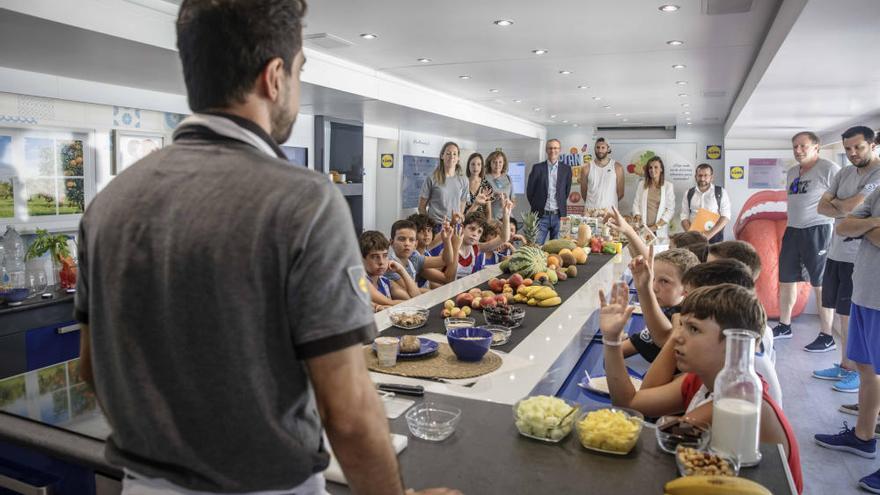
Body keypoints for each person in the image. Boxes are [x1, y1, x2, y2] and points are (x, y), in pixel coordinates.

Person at [75, 2, 458, 494]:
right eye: (299, 72)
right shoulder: (306, 200)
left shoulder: (109, 203)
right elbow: (347, 409)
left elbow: (92, 367)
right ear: (275, 76)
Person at [599, 283, 803, 494]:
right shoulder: (698, 380)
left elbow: (670, 434)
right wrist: (612, 341)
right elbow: (629, 403)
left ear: (736, 343)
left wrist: (669, 423)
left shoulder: (739, 399)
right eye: (682, 325)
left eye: (694, 329)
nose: (677, 336)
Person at [814, 184, 880, 494]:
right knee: (866, 371)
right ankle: (863, 437)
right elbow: (843, 226)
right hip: (865, 295)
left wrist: (864, 226)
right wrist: (871, 223)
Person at [812, 126, 880, 387]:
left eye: (858, 147)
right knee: (842, 313)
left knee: (851, 315)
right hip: (837, 251)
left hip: (859, 259)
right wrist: (847, 209)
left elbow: (851, 208)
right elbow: (823, 207)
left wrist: (841, 207)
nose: (852, 153)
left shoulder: (877, 173)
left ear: (872, 145)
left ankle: (855, 373)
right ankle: (845, 365)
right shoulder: (844, 172)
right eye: (848, 148)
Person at [773, 131, 841, 342]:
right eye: (795, 147)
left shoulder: (830, 169)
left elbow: (843, 201)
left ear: (816, 147)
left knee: (820, 284)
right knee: (787, 280)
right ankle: (785, 325)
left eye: (803, 146)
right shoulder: (793, 171)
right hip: (793, 229)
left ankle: (827, 334)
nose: (798, 150)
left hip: (818, 229)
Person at [621, 247, 700, 362]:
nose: (653, 287)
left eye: (664, 281)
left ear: (686, 288)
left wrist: (613, 339)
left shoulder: (674, 316)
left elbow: (621, 351)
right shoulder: (680, 308)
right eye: (652, 279)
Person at [450, 201, 512, 280]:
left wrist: (506, 216)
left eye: (479, 231)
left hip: (465, 291)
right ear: (462, 228)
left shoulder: (477, 248)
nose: (475, 234)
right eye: (472, 229)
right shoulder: (451, 245)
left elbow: (504, 238)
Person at [526, 139, 572, 244]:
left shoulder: (566, 169)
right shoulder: (537, 168)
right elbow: (530, 191)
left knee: (557, 250)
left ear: (559, 150)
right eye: (550, 148)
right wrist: (537, 206)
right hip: (540, 216)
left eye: (555, 148)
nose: (553, 150)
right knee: (536, 247)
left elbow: (566, 191)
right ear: (546, 150)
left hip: (558, 216)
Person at [387, 219, 454, 291]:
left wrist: (447, 241)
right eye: (402, 239)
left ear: (415, 244)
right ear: (391, 242)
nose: (407, 243)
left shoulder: (414, 257)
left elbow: (446, 260)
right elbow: (411, 292)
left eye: (411, 240)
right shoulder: (390, 266)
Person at [360, 231, 420, 310]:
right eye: (375, 257)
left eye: (385, 255)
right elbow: (389, 302)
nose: (381, 262)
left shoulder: (385, 282)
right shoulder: (360, 281)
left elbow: (416, 298)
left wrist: (401, 270)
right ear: (361, 259)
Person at [419, 141, 469, 224]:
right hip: (436, 225)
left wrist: (458, 220)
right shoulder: (432, 178)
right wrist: (428, 225)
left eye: (454, 154)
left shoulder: (464, 180)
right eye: (448, 153)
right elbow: (421, 207)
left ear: (458, 158)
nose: (452, 156)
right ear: (442, 156)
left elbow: (463, 203)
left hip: (455, 225)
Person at [680, 163, 732, 243]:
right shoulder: (688, 193)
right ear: (695, 177)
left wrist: (708, 235)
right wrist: (691, 235)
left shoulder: (720, 192)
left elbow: (725, 216)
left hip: (714, 237)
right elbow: (684, 216)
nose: (702, 178)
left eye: (706, 175)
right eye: (700, 175)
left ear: (711, 177)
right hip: (693, 238)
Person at [632, 156, 676, 242]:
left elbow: (670, 210)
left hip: (659, 230)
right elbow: (636, 204)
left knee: (659, 254)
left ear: (661, 169)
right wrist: (637, 216)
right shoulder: (642, 184)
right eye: (650, 167)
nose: (652, 170)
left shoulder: (668, 186)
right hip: (643, 229)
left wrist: (655, 227)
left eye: (656, 167)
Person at [580, 137, 624, 210]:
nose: (600, 150)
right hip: (590, 213)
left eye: (603, 147)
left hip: (610, 213)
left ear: (608, 149)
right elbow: (583, 192)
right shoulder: (586, 168)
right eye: (598, 147)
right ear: (594, 149)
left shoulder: (617, 167)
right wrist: (593, 205)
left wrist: (609, 203)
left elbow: (621, 193)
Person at [485, 150, 514, 221]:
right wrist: (493, 197)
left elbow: (513, 200)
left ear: (504, 163)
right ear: (490, 163)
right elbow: (480, 201)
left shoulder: (508, 178)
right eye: (494, 162)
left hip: (508, 217)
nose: (497, 164)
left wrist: (508, 203)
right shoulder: (485, 178)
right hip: (492, 218)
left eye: (500, 162)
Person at [464, 152, 491, 217]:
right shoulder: (463, 183)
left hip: (481, 222)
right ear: (468, 166)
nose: (475, 167)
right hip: (465, 221)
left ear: (482, 167)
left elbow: (488, 210)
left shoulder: (486, 184)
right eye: (473, 164)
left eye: (478, 164)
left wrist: (488, 226)